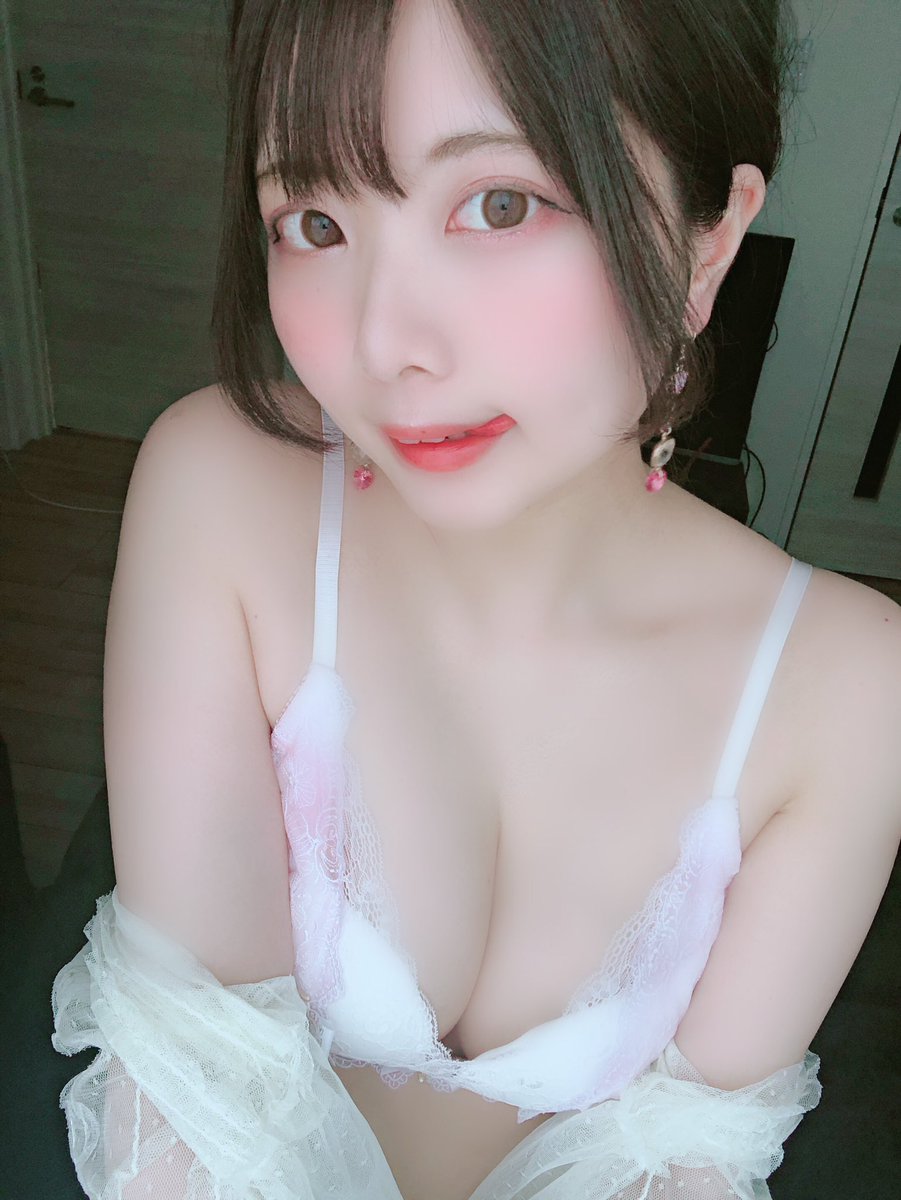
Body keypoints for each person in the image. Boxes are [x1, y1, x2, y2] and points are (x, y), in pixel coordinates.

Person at [51, 1, 901, 1197]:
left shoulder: (851, 685)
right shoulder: (225, 490)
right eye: (314, 221)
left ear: (706, 245)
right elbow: (190, 1092)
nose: (385, 345)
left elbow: (684, 1169)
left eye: (500, 205)